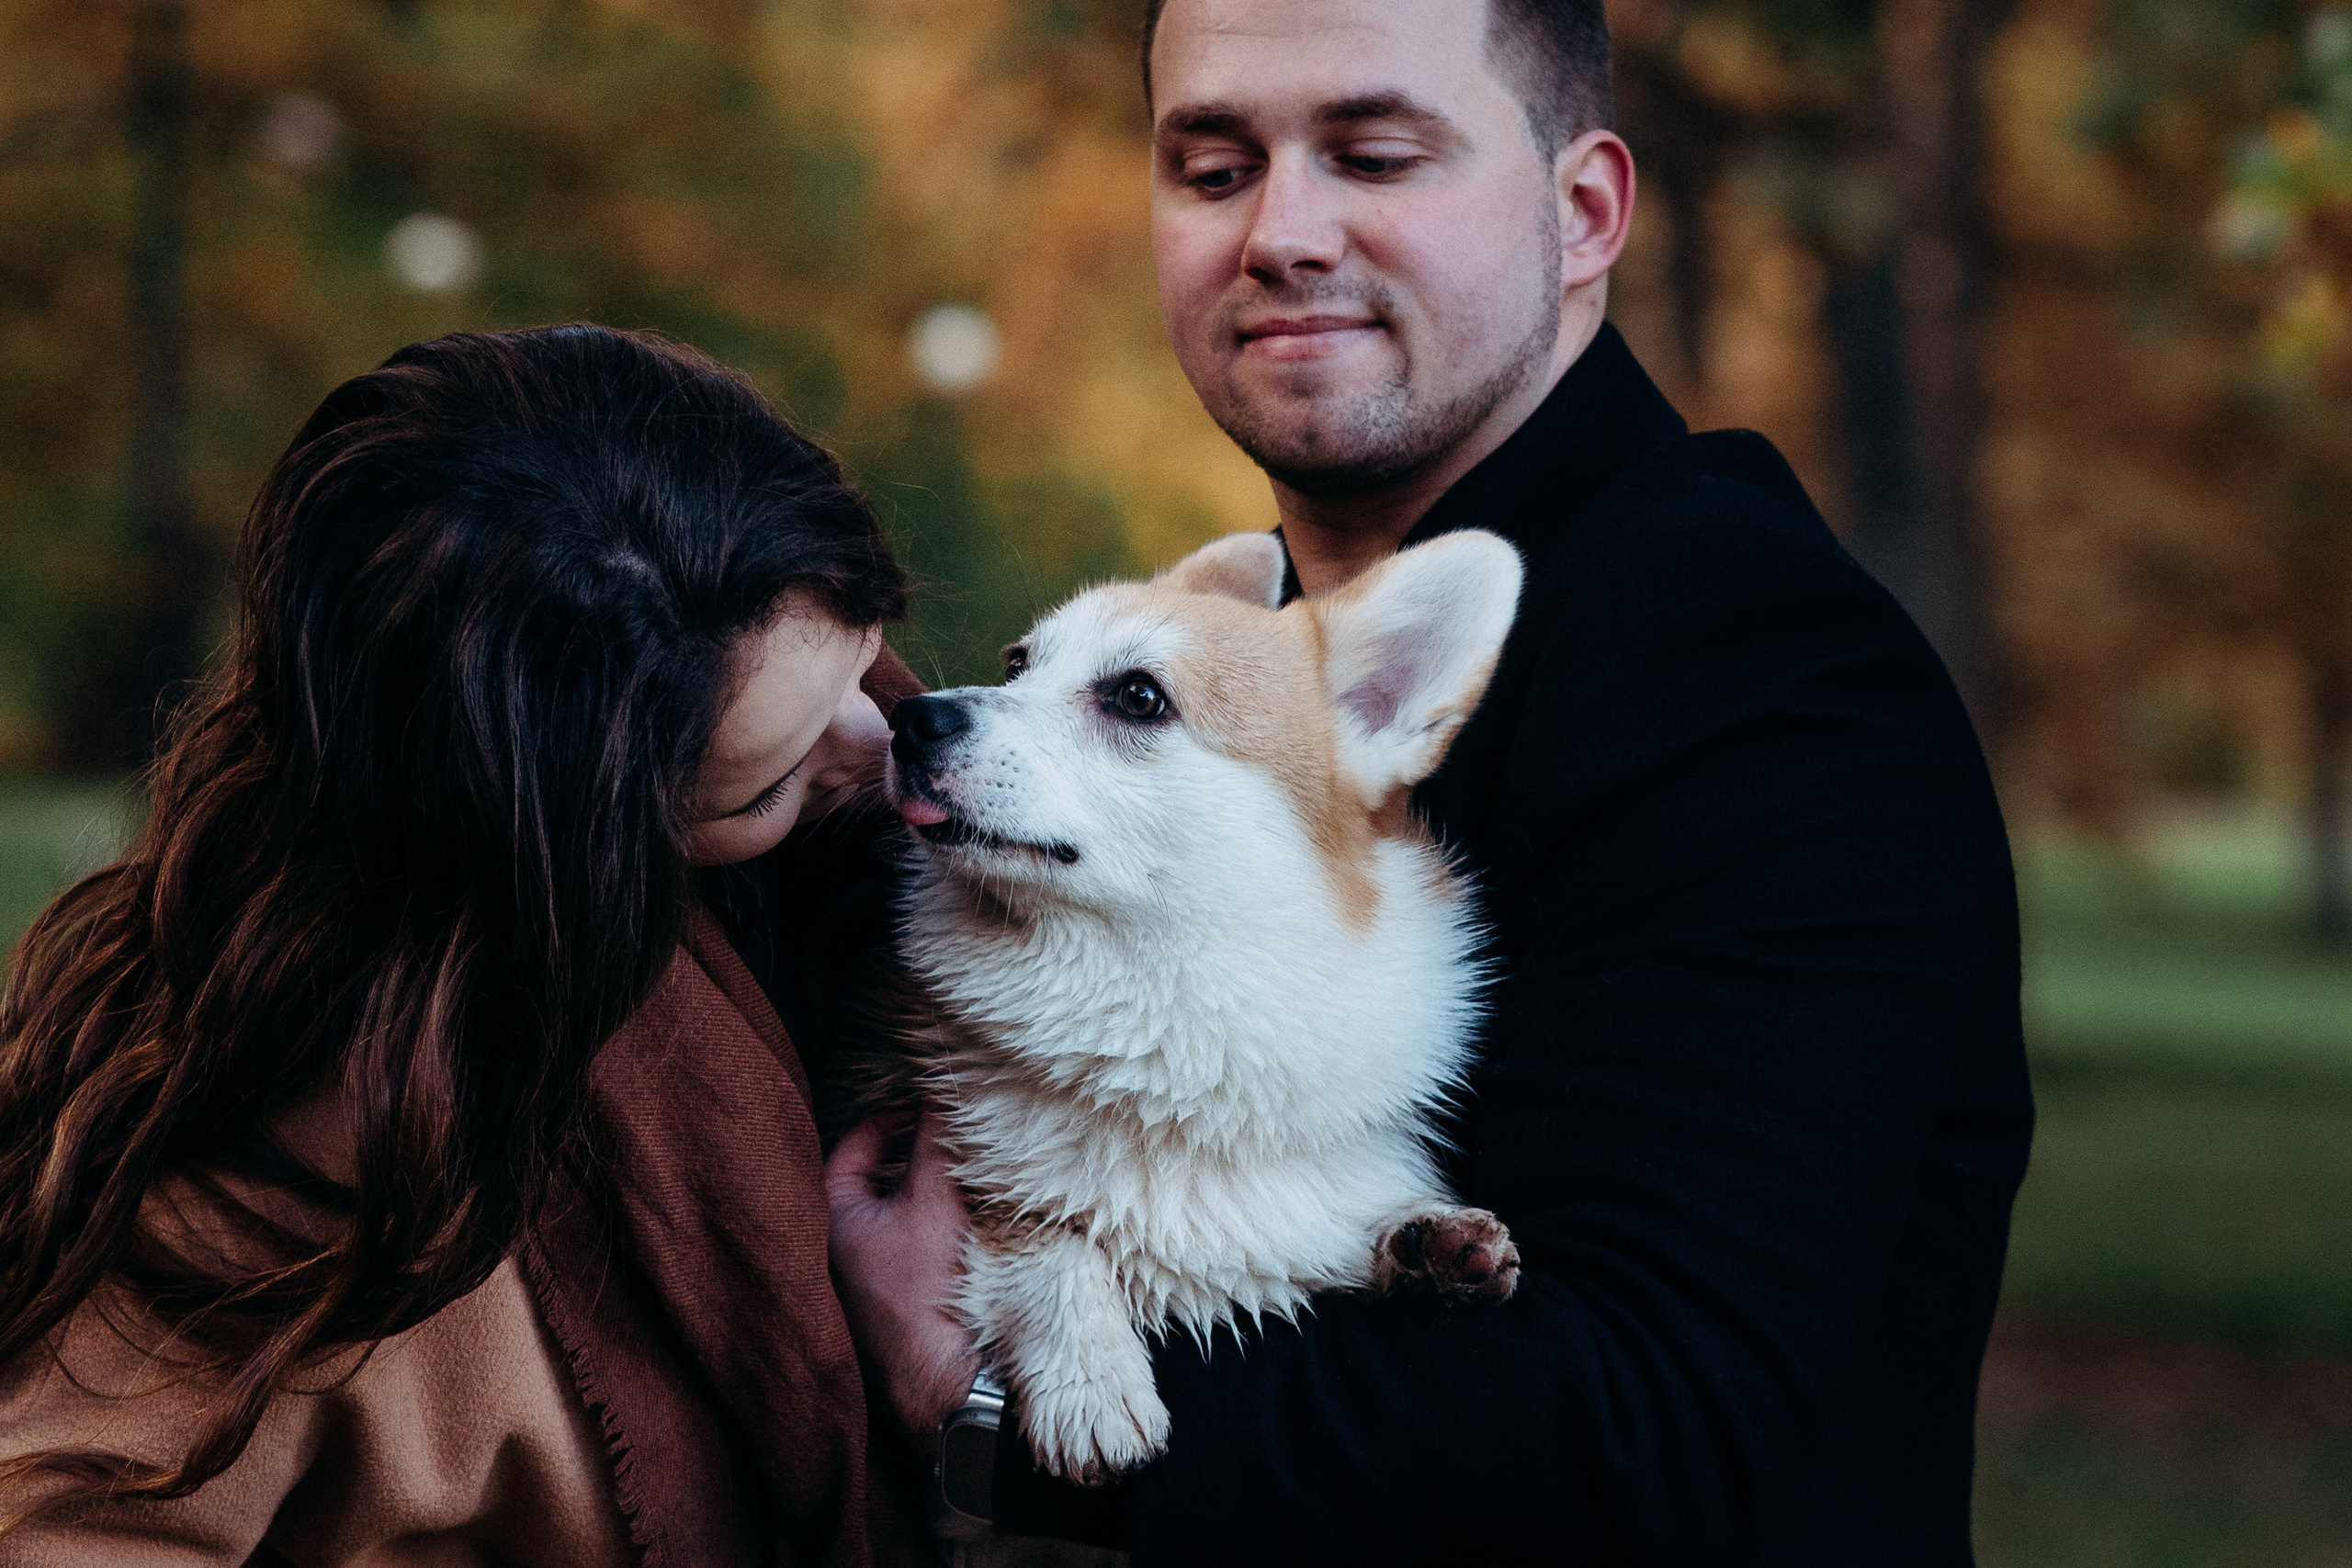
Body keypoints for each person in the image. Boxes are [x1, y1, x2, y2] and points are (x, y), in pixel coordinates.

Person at [825, 0, 2033, 1562]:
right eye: (1210, 168)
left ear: (1584, 209)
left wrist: (965, 1393)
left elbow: (1654, 1428)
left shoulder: (1754, 667)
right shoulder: (1256, 644)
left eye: (1375, 154)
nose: (1281, 232)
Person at [0, 325, 933, 1566]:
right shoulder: (292, 1140)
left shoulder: (897, 891)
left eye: (866, 655)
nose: (881, 748)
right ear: (573, 846)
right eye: (767, 781)